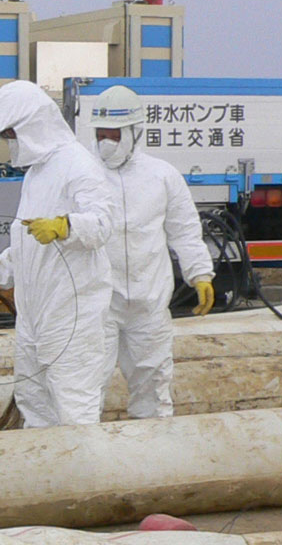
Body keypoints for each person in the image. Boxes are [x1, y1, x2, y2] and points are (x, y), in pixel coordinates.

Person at [0, 80, 119, 426]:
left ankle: (83, 463)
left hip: (71, 314)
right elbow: (26, 241)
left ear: (33, 126)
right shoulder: (36, 174)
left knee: (74, 405)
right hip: (35, 314)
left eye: (11, 135)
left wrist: (66, 226)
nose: (10, 143)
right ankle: (46, 462)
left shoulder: (78, 164)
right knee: (33, 400)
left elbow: (103, 222)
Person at [86, 86, 217, 419]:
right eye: (101, 134)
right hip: (98, 303)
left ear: (135, 132)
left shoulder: (161, 176)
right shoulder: (84, 175)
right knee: (86, 385)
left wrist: (200, 273)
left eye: (114, 135)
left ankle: (152, 447)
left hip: (149, 302)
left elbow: (184, 230)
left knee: (153, 388)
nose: (106, 142)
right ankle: (85, 447)